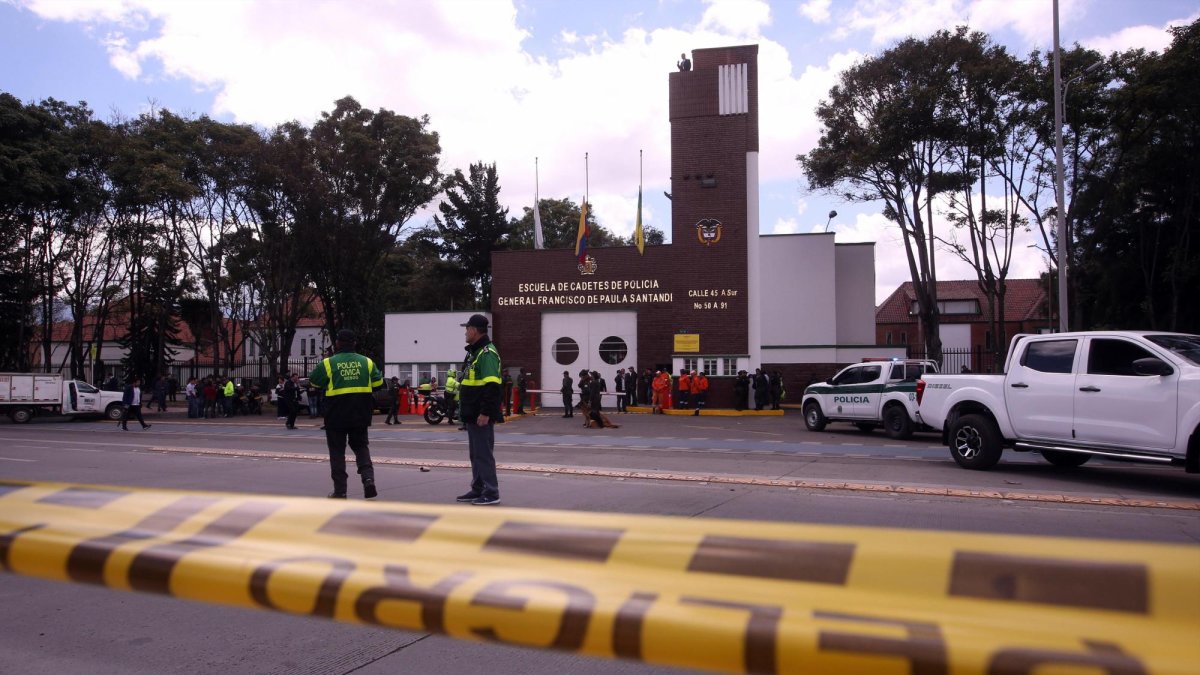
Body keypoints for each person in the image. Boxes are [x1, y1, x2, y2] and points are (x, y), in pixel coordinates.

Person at [308, 329, 383, 500]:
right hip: (360, 413)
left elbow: (314, 381)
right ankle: (368, 479)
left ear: (338, 343)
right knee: (361, 447)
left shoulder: (328, 363)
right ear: (354, 343)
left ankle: (340, 491)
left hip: (336, 415)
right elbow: (378, 383)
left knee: (337, 453)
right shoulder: (367, 362)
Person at [456, 314, 502, 506]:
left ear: (474, 330)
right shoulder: (474, 353)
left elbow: (492, 387)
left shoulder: (487, 353)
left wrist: (485, 413)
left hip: (480, 414)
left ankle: (491, 492)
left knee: (483, 454)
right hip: (472, 413)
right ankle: (478, 488)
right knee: (476, 454)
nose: (465, 332)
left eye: (467, 329)